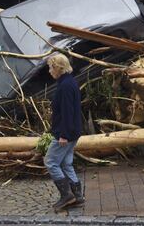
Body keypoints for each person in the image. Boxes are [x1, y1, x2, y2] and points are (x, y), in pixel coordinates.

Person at [44, 53, 84, 212]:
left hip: (66, 133)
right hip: (73, 132)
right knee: (66, 163)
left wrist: (63, 135)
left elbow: (68, 112)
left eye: (50, 67)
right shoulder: (69, 82)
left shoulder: (65, 86)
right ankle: (78, 197)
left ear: (57, 68)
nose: (49, 71)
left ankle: (67, 196)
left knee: (51, 162)